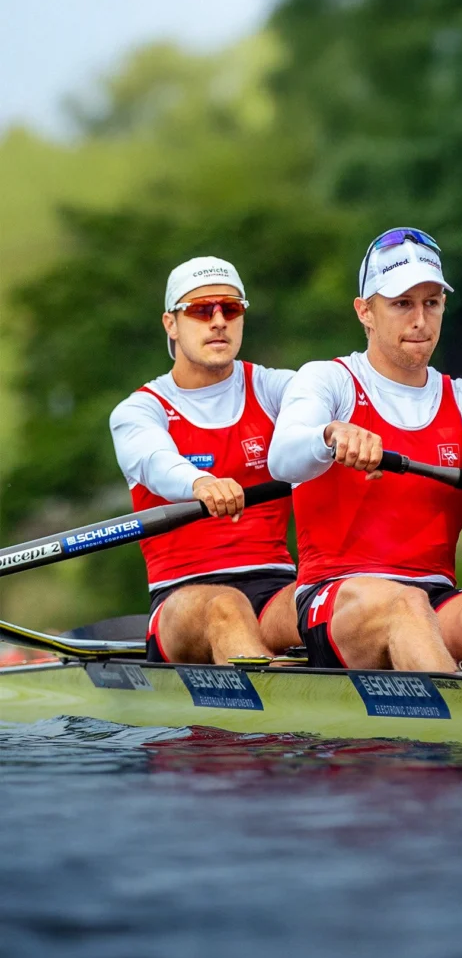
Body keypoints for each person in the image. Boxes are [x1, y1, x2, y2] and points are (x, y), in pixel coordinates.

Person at [268, 227, 462, 678]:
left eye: (431, 302)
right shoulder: (327, 380)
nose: (420, 320)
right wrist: (329, 435)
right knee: (405, 604)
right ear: (365, 311)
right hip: (335, 598)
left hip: (434, 596)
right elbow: (282, 458)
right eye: (402, 303)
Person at [110, 255, 299, 665]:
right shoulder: (140, 411)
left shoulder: (276, 388)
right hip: (182, 596)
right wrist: (200, 483)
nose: (218, 321)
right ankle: (279, 709)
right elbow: (155, 460)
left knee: (345, 598)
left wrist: (340, 432)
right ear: (171, 324)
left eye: (230, 309)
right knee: (226, 607)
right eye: (200, 310)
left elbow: (336, 408)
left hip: (276, 588)